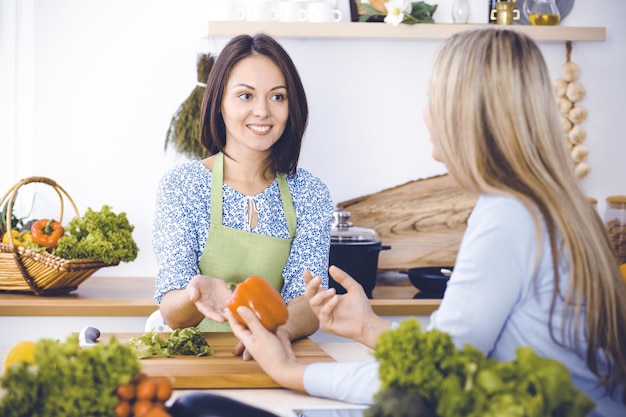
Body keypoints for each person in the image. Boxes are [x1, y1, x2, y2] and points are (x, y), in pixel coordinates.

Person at [226, 28, 626, 416]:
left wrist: (289, 371)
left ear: (465, 110)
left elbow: (441, 374)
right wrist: (370, 328)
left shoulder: (509, 215)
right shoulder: (557, 203)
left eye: (433, 96)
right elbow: (459, 355)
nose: (425, 111)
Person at [152, 33, 334, 352]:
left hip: (279, 356)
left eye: (277, 97)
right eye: (245, 96)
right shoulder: (182, 187)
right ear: (219, 103)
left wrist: (276, 334)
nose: (262, 111)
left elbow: (308, 302)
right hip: (199, 357)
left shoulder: (310, 193)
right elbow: (172, 311)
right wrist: (196, 295)